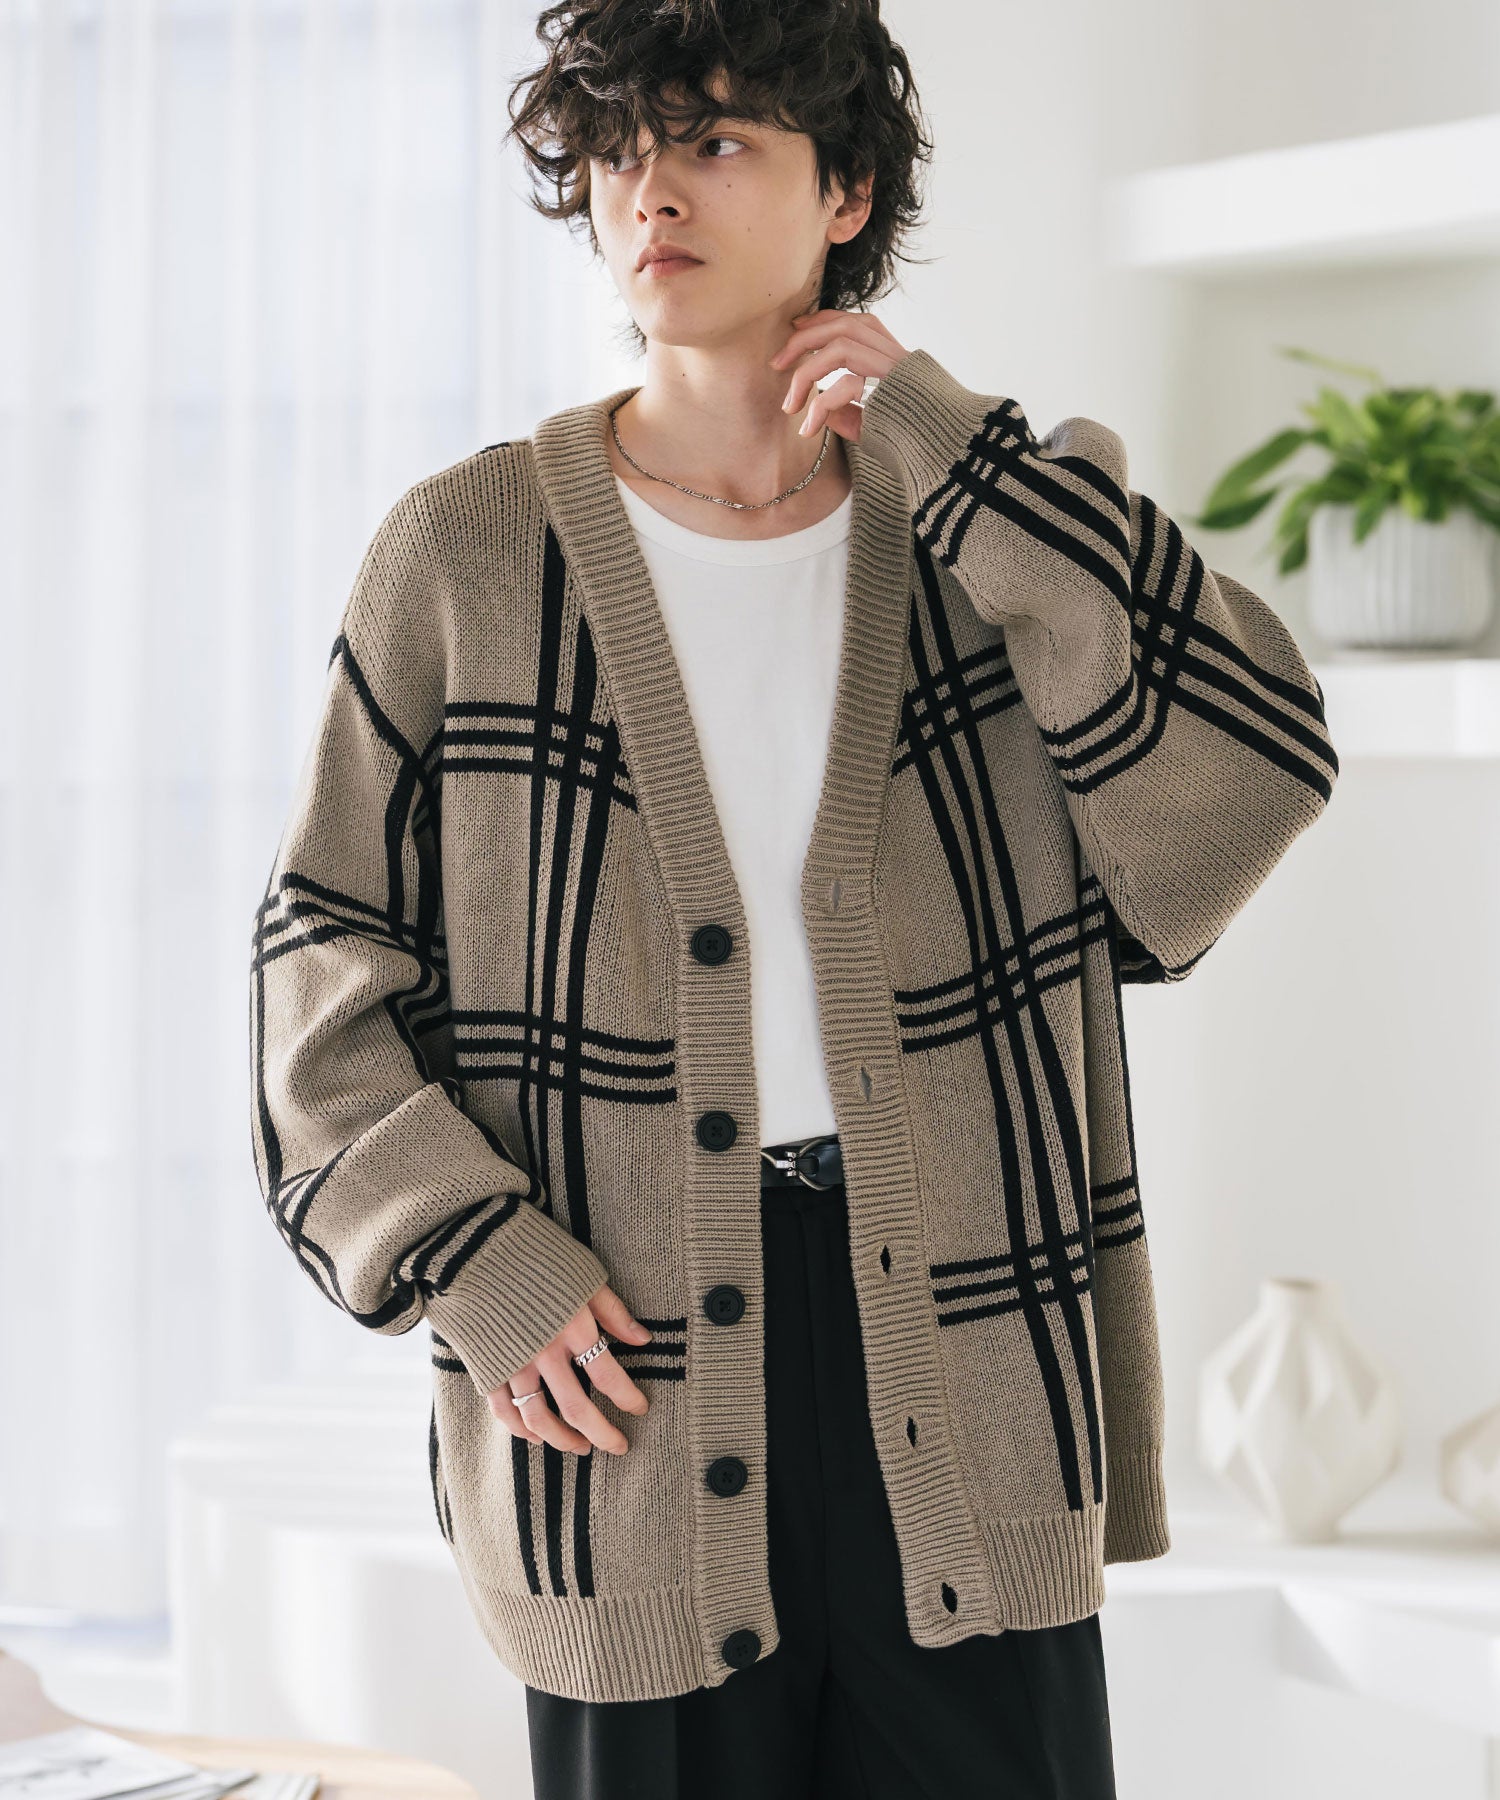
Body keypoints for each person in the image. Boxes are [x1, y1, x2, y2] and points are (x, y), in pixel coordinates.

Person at [249, 1, 1338, 1794]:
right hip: (621, 1369)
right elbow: (317, 966)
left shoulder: (991, 526)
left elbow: (1247, 775)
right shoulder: (464, 555)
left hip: (967, 1352)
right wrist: (480, 1261)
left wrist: (953, 446)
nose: (650, 192)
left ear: (844, 193)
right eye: (617, 153)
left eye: (713, 141)